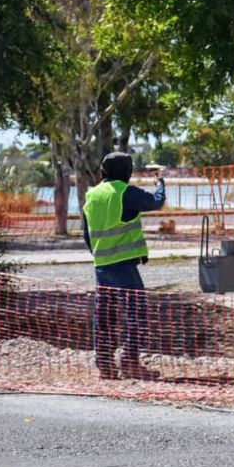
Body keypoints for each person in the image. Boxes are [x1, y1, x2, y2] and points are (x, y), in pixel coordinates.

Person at [82, 152, 165, 380]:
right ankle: (129, 360)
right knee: (136, 312)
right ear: (127, 172)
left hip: (102, 267)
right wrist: (160, 184)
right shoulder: (124, 192)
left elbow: (86, 233)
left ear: (103, 171)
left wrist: (99, 254)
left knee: (104, 316)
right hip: (123, 267)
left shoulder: (92, 195)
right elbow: (156, 202)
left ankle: (105, 363)